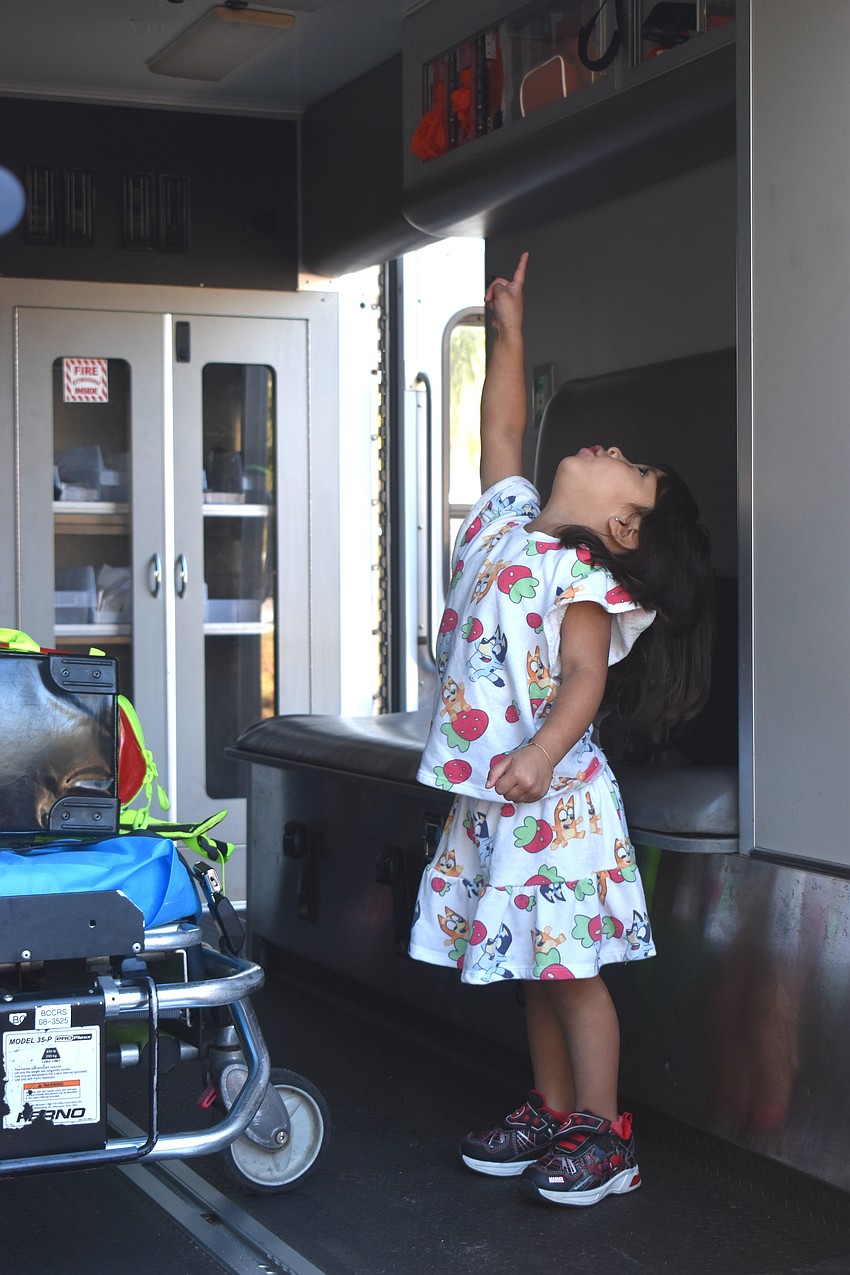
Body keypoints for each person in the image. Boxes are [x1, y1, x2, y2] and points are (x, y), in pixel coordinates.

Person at [408, 251, 713, 1206]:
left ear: (623, 530)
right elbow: (502, 430)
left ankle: (603, 1130)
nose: (608, 449)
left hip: (557, 804)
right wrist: (510, 335)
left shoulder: (581, 582)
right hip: (503, 798)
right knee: (532, 967)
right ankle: (550, 1106)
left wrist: (539, 756)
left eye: (630, 468)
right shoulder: (507, 533)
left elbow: (582, 683)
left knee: (572, 971)